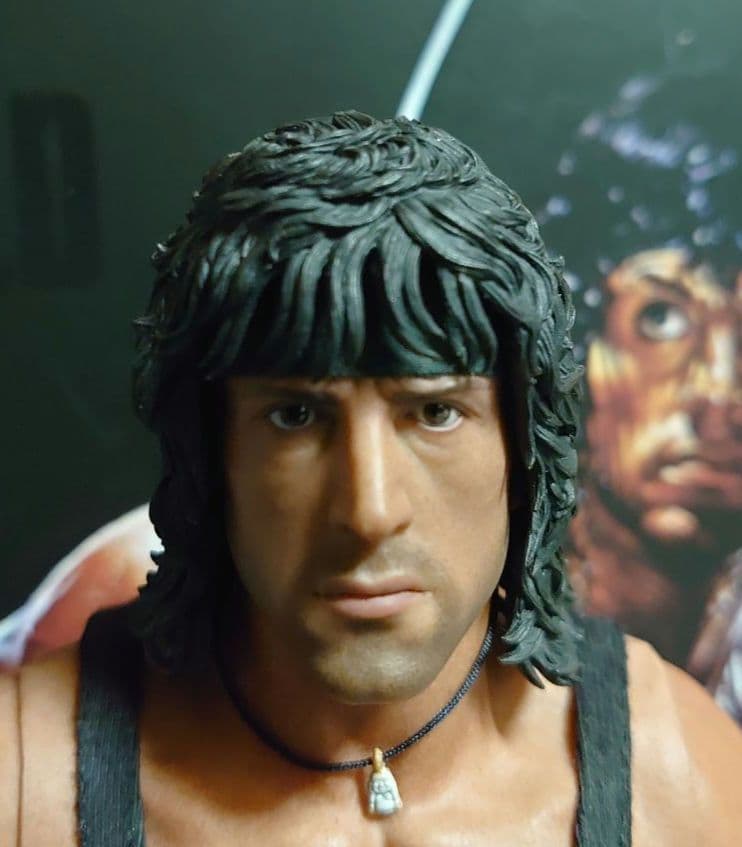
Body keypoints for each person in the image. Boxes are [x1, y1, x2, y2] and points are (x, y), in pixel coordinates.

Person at [1, 111, 739, 846]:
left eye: (436, 412)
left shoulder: (678, 778)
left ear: (524, 448)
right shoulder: (27, 781)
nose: (369, 510)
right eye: (295, 416)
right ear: (210, 452)